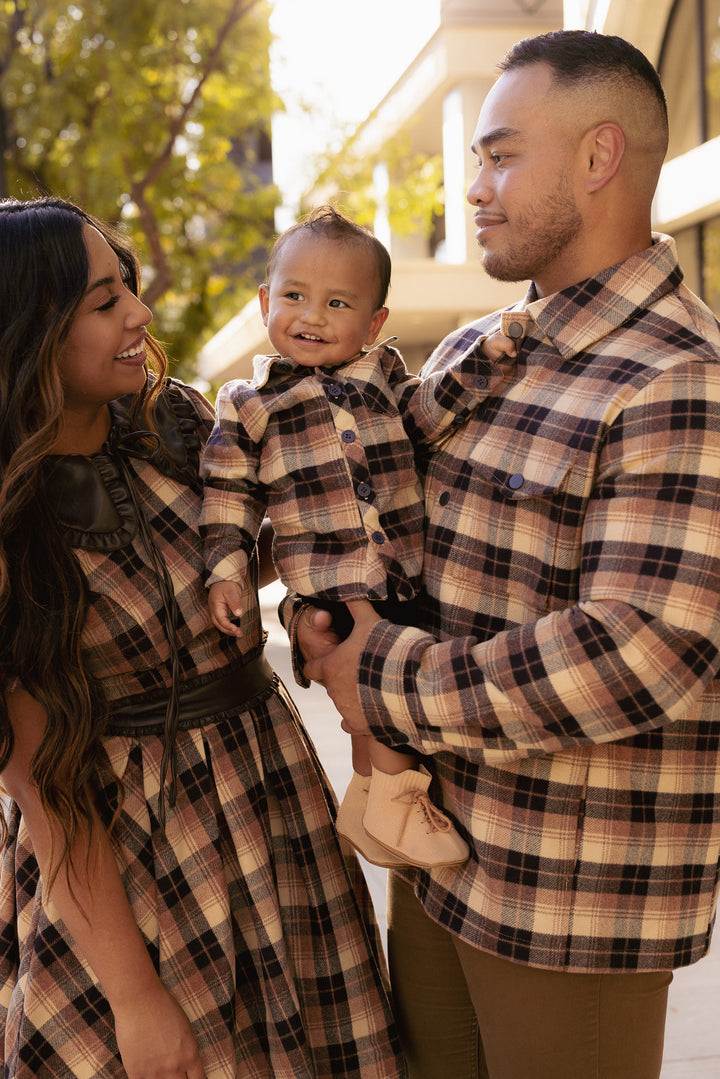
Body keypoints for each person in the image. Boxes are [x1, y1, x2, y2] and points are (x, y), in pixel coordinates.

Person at [293, 29, 720, 1079]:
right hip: (437, 857)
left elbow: (642, 651)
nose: (473, 187)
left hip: (568, 902)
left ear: (598, 157)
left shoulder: (679, 379)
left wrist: (377, 672)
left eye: (498, 154)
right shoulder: (468, 355)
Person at [0, 195, 408, 1079]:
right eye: (106, 302)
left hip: (274, 806)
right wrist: (137, 998)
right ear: (29, 328)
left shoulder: (177, 422)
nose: (141, 316)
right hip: (127, 860)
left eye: (129, 290)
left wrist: (306, 596)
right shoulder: (9, 519)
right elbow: (40, 787)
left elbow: (261, 549)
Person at [200, 204, 489, 870]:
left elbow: (428, 415)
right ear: (266, 299)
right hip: (329, 582)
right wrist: (226, 568)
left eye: (337, 302)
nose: (312, 316)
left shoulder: (382, 377)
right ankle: (398, 799)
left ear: (374, 321)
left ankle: (365, 798)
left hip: (399, 571)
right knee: (382, 698)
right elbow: (228, 492)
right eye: (295, 296)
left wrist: (481, 367)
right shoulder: (251, 403)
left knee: (378, 701)